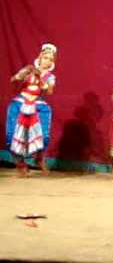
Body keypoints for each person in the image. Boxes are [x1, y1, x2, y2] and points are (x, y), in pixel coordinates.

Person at [6, 43, 58, 177]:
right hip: (20, 103)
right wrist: (23, 73)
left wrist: (40, 78)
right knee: (14, 134)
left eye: (50, 59)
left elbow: (50, 91)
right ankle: (20, 164)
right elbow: (13, 80)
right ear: (39, 58)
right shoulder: (29, 69)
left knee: (43, 135)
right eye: (45, 57)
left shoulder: (50, 77)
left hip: (38, 105)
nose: (47, 61)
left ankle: (39, 158)